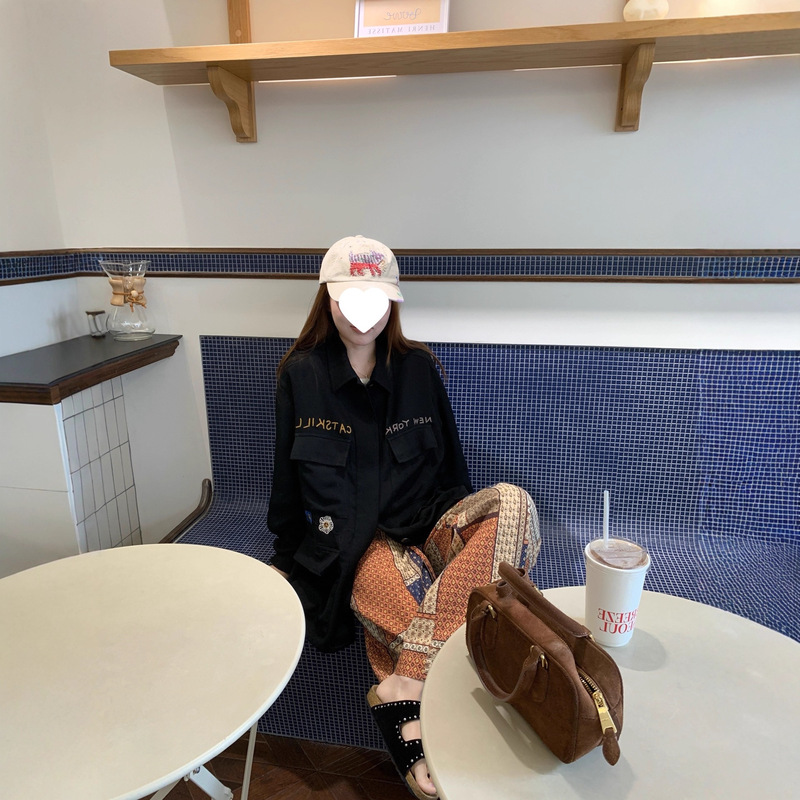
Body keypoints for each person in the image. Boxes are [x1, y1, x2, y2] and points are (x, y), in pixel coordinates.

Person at [268, 235, 541, 800]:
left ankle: (405, 684)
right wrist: (288, 565)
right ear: (327, 298)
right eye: (348, 299)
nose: (361, 315)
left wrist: (463, 554)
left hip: (431, 528)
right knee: (402, 593)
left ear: (391, 303)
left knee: (515, 501)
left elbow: (455, 471)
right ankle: (443, 714)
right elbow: (286, 489)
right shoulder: (300, 375)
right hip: (356, 548)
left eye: (374, 301)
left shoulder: (418, 368)